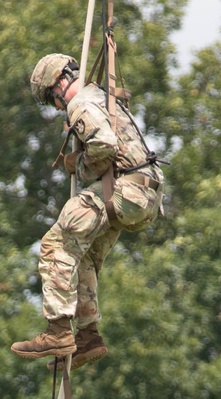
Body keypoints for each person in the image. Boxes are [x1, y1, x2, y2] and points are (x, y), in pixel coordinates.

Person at [10, 53, 163, 368]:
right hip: (144, 195)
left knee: (56, 244)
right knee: (84, 257)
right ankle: (88, 335)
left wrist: (78, 165)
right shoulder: (101, 97)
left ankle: (58, 329)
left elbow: (104, 145)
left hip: (124, 191)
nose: (57, 108)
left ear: (60, 84)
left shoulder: (80, 103)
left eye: (52, 100)